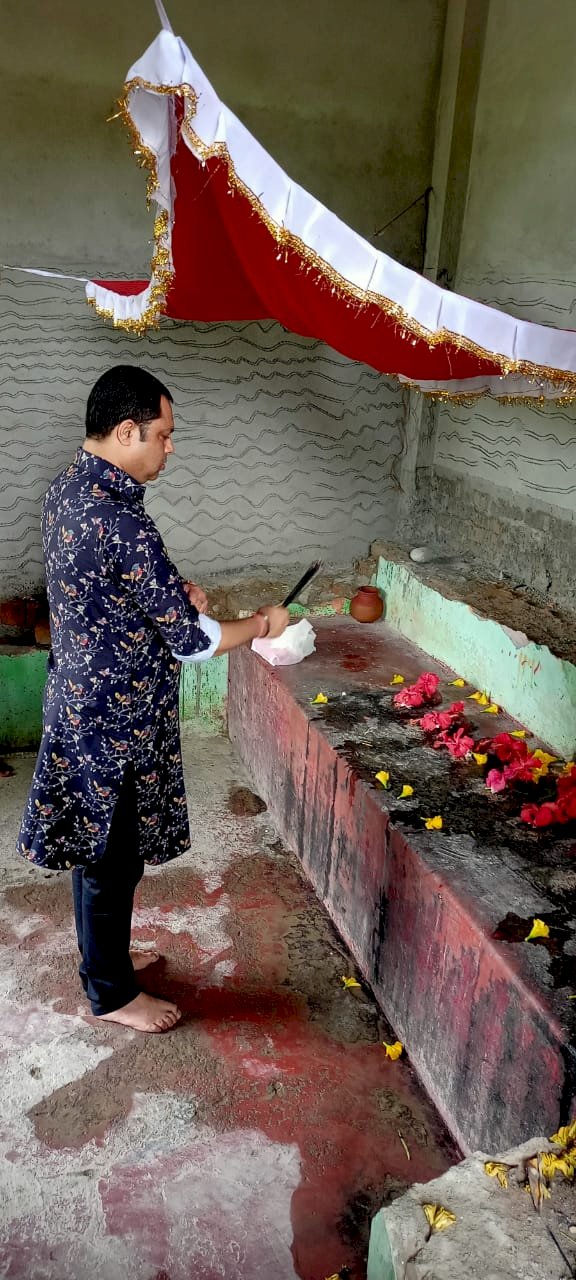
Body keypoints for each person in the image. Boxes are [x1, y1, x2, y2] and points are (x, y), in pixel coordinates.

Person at [17, 365, 289, 1034]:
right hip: (117, 723)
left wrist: (169, 593)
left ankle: (103, 961)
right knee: (112, 860)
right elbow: (193, 642)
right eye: (163, 436)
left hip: (81, 701)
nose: (171, 448)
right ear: (126, 430)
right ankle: (110, 993)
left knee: (96, 850)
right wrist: (261, 624)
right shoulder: (120, 520)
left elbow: (107, 595)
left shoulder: (68, 489)